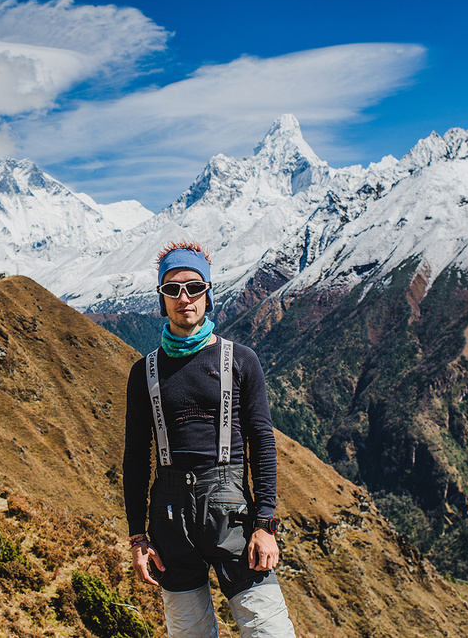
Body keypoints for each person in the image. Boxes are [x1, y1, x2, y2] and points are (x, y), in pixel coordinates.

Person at [123, 241, 295, 637]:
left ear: (208, 294)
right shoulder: (143, 372)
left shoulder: (241, 359)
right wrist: (138, 536)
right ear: (161, 299)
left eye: (194, 287)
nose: (184, 298)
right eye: (172, 289)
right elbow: (135, 457)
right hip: (168, 519)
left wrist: (265, 523)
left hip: (232, 513)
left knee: (269, 630)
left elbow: (261, 442)